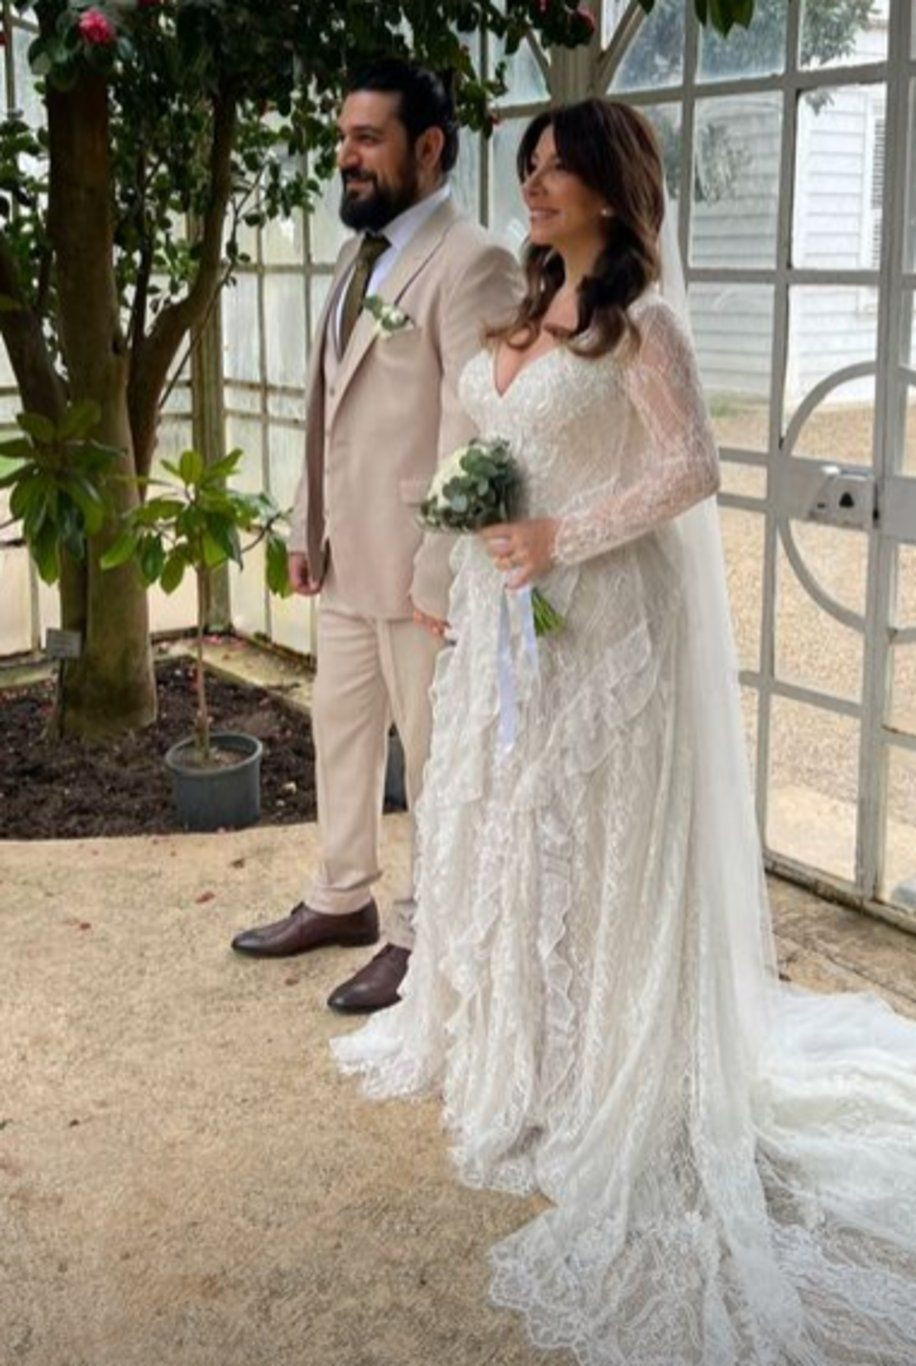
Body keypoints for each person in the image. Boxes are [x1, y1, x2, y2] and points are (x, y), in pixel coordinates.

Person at [333, 98, 916, 1364]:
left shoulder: (641, 321)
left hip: (602, 631)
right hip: (508, 621)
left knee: (595, 847)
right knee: (510, 829)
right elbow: (499, 441)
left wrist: (562, 534)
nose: (535, 184)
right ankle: (524, 1055)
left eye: (559, 169)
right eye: (530, 166)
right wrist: (471, 550)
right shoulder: (527, 302)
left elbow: (691, 467)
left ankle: (606, 1076)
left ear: (611, 186)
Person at [230, 60, 521, 1013]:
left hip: (419, 570)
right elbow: (331, 405)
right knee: (341, 731)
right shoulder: (362, 255)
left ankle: (421, 928)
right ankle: (340, 894)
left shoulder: (473, 261)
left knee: (432, 759)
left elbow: (472, 430)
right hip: (347, 556)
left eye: (367, 139)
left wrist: (438, 572)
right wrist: (305, 522)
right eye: (341, 138)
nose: (345, 157)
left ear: (427, 147)